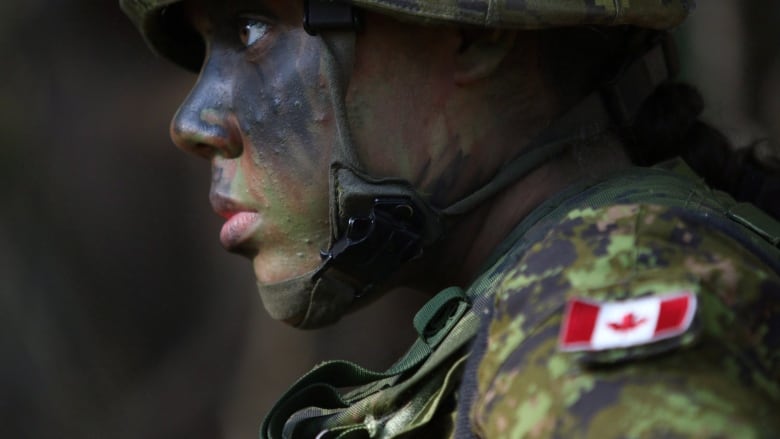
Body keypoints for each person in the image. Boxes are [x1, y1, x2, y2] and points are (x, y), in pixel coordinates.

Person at [120, 0, 780, 437]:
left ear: (472, 36)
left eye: (253, 31)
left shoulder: (598, 313)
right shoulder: (585, 281)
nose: (191, 123)